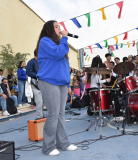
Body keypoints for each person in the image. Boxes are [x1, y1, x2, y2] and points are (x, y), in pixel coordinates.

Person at [36, 20, 77, 156]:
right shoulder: (45, 41)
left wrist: (67, 83)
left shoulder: (60, 43)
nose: (60, 29)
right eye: (56, 27)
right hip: (49, 81)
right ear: (49, 29)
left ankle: (63, 143)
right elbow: (58, 53)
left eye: (59, 26)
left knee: (61, 114)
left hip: (61, 82)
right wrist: (65, 38)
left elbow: (64, 66)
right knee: (53, 114)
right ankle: (48, 147)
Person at [26, 50, 45, 119]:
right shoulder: (31, 62)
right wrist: (37, 75)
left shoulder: (41, 62)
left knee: (43, 101)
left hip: (43, 82)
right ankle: (39, 116)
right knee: (39, 100)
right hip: (35, 82)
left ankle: (41, 115)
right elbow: (28, 72)